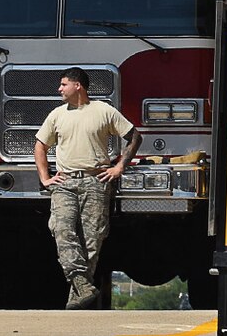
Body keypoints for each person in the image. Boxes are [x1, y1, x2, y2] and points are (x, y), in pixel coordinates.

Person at [33, 66, 139, 309]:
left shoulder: (103, 111)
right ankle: (82, 283)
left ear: (77, 85)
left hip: (96, 181)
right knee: (62, 230)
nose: (59, 89)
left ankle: (78, 296)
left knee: (92, 240)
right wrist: (45, 177)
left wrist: (119, 166)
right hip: (65, 182)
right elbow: (40, 146)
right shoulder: (57, 114)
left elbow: (134, 136)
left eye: (63, 84)